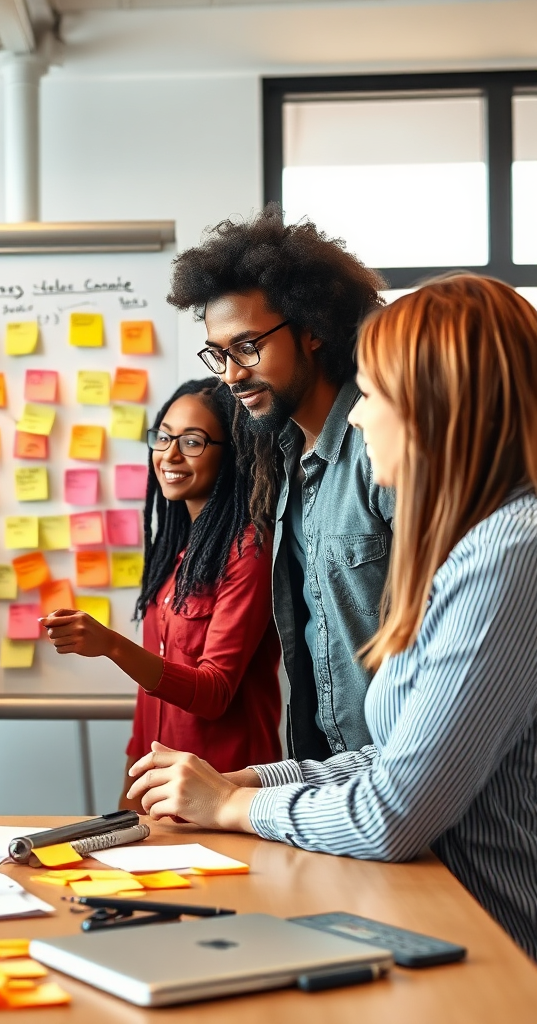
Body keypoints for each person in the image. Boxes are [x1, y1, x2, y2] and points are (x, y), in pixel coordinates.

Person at [127, 275, 537, 960]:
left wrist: (230, 808)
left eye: (373, 395)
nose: (357, 416)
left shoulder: (509, 552)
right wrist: (247, 782)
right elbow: (401, 754)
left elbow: (393, 811)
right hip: (429, 914)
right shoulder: (478, 541)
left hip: (494, 941)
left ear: (438, 406)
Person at [168, 205, 394, 762]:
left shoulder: (383, 451)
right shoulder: (283, 463)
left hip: (406, 781)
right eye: (218, 354)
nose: (231, 375)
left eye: (247, 347)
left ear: (313, 328)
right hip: (327, 774)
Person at [41, 380, 281, 807]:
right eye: (164, 436)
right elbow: (150, 697)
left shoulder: (249, 549)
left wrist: (112, 645)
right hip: (160, 793)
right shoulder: (175, 552)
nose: (169, 454)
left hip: (226, 792)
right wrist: (132, 787)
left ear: (231, 453)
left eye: (192, 442)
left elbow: (213, 694)